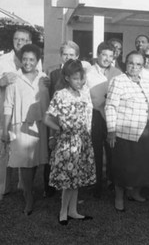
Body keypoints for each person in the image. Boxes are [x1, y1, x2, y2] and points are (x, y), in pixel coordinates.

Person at [0, 28, 44, 202]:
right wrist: (1, 81)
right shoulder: (3, 60)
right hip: (7, 111)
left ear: (29, 41)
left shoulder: (34, 58)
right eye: (16, 39)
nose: (19, 42)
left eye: (23, 39)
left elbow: (37, 78)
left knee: (24, 148)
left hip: (27, 114)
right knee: (5, 150)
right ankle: (2, 188)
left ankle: (22, 183)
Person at [44, 59, 96, 225]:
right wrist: (60, 129)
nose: (79, 82)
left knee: (77, 178)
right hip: (68, 143)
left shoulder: (85, 93)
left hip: (83, 141)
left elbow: (88, 116)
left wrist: (87, 135)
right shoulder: (61, 94)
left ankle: (73, 211)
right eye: (75, 79)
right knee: (69, 179)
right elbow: (47, 118)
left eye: (81, 78)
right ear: (66, 78)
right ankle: (63, 212)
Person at [1, 44, 49, 215]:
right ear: (20, 60)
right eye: (25, 59)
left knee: (35, 161)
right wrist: (5, 130)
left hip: (40, 126)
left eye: (32, 59)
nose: (28, 62)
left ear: (37, 61)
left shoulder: (44, 79)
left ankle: (26, 187)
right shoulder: (14, 79)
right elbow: (8, 105)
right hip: (20, 126)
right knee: (25, 163)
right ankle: (28, 196)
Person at [106, 51, 149, 211]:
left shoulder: (147, 82)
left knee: (143, 164)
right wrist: (111, 130)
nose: (134, 67)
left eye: (138, 64)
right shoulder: (118, 81)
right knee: (123, 166)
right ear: (126, 64)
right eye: (131, 63)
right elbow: (110, 106)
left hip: (145, 130)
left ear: (142, 66)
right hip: (124, 131)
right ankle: (119, 197)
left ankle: (135, 192)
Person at [45, 40, 88, 198]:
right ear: (60, 56)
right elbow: (51, 106)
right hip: (58, 124)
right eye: (65, 54)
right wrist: (53, 132)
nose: (68, 57)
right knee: (55, 158)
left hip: (76, 130)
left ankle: (72, 196)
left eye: (71, 54)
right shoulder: (53, 74)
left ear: (77, 56)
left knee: (75, 162)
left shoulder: (81, 76)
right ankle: (50, 191)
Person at [86, 42, 122, 198]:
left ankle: (113, 183)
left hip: (112, 116)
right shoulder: (87, 72)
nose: (107, 59)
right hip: (95, 115)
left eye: (110, 56)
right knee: (96, 152)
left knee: (112, 151)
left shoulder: (118, 72)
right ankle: (96, 185)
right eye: (104, 55)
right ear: (98, 54)